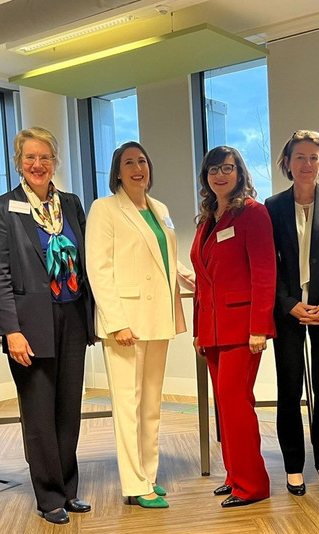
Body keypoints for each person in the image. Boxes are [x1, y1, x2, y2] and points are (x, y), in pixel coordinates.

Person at [0, 127, 95, 523]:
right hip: (30, 325)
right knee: (38, 412)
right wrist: (10, 329)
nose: (38, 164)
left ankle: (69, 489)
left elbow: (86, 261)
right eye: (30, 157)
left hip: (71, 314)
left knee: (69, 409)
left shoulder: (71, 203)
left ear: (55, 162)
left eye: (45, 157)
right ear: (19, 162)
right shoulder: (4, 207)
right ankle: (48, 496)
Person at [86, 141, 185, 509]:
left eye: (142, 161)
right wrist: (115, 322)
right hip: (126, 322)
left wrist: (186, 275)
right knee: (128, 404)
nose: (137, 168)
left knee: (151, 405)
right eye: (129, 162)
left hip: (158, 316)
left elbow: (164, 257)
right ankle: (133, 483)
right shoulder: (104, 209)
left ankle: (150, 475)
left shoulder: (158, 209)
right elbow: (99, 268)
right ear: (117, 171)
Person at [265, 130, 319, 496]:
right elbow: (269, 264)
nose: (307, 164)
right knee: (289, 390)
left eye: (314, 157)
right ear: (287, 163)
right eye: (299, 157)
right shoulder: (273, 207)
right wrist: (288, 303)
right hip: (287, 310)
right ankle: (293, 467)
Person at [191, 146, 277, 508]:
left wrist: (259, 327)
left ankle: (253, 484)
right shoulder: (208, 217)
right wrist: (198, 329)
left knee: (236, 402)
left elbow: (264, 271)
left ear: (240, 172)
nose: (220, 175)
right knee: (224, 405)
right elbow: (202, 279)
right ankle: (234, 475)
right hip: (212, 329)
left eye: (228, 168)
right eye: (214, 169)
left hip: (243, 329)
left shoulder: (252, 214)